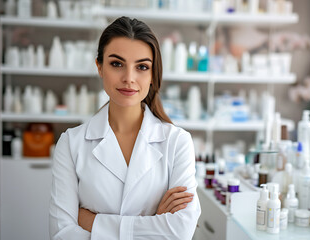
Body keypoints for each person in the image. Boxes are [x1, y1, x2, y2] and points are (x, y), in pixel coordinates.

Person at [49, 16, 201, 239]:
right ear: (100, 67)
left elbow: (181, 231)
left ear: (152, 75)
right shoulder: (71, 143)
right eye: (117, 64)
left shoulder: (177, 142)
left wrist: (94, 222)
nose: (129, 78)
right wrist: (153, 222)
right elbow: (61, 234)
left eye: (141, 67)